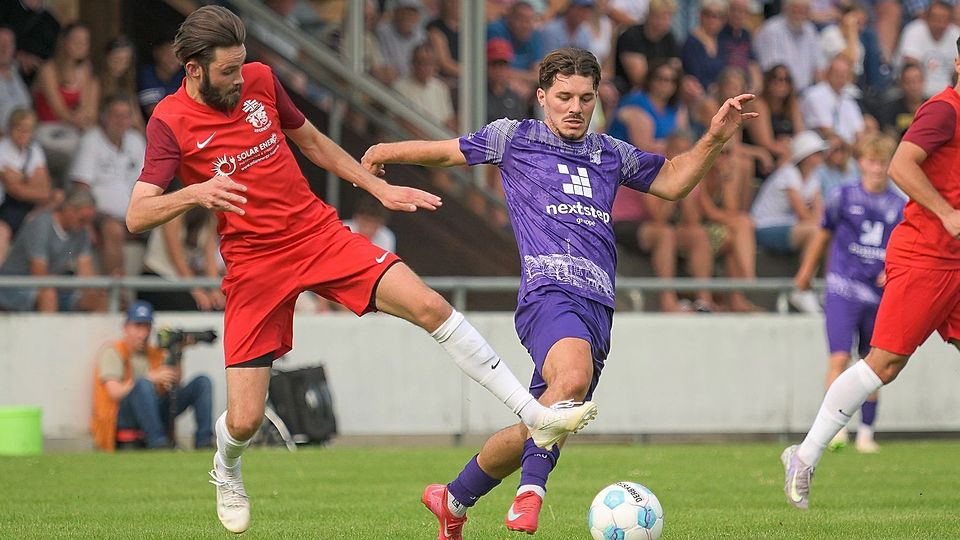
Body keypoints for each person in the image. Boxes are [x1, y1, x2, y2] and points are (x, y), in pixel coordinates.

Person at [125, 7, 596, 534]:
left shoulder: (260, 79)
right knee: (245, 420)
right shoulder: (169, 121)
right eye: (227, 71)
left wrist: (377, 187)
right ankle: (227, 463)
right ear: (193, 68)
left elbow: (311, 142)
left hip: (316, 235)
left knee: (429, 305)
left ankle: (535, 417)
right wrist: (194, 192)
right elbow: (137, 212)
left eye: (241, 65)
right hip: (254, 266)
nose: (240, 77)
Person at [361, 46, 756, 537]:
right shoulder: (514, 139)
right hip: (548, 293)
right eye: (564, 97)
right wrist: (383, 152)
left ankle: (453, 498)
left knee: (543, 421)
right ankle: (531, 497)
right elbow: (447, 150)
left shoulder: (611, 153)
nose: (575, 108)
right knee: (570, 384)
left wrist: (715, 137)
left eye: (585, 99)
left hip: (597, 309)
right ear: (542, 96)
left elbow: (674, 181)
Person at [781, 43, 960, 510]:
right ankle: (805, 454)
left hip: (954, 260)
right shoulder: (944, 110)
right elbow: (902, 165)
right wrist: (946, 213)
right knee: (883, 363)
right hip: (926, 259)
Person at [793, 133, 904, 455]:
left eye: (882, 162)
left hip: (879, 293)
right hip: (843, 288)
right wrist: (806, 271)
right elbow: (823, 233)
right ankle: (836, 430)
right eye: (871, 161)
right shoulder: (842, 196)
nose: (877, 168)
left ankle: (867, 433)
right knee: (839, 358)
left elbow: (904, 246)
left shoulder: (899, 205)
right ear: (860, 163)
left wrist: (894, 269)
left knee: (872, 364)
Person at [91, 300, 214, 451]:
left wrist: (178, 352)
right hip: (122, 416)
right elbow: (114, 392)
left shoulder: (154, 353)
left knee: (202, 382)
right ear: (126, 327)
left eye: (147, 327)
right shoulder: (114, 351)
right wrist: (149, 378)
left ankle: (204, 442)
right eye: (138, 326)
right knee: (143, 384)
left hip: (153, 410)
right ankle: (158, 442)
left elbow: (174, 385)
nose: (143, 334)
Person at [69, 94, 146, 277]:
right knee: (113, 229)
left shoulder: (136, 140)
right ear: (104, 117)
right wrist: (86, 220)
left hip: (134, 213)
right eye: (116, 115)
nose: (121, 121)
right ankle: (118, 295)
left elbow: (146, 184)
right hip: (100, 214)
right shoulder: (91, 139)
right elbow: (81, 187)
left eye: (126, 116)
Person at [0, 186, 104, 312]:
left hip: (52, 286)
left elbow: (86, 274)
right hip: (15, 286)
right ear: (69, 209)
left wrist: (99, 288)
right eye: (83, 219)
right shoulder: (40, 224)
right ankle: (48, 332)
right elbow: (38, 274)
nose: (86, 225)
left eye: (89, 221)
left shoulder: (82, 231)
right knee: (48, 293)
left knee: (96, 297)